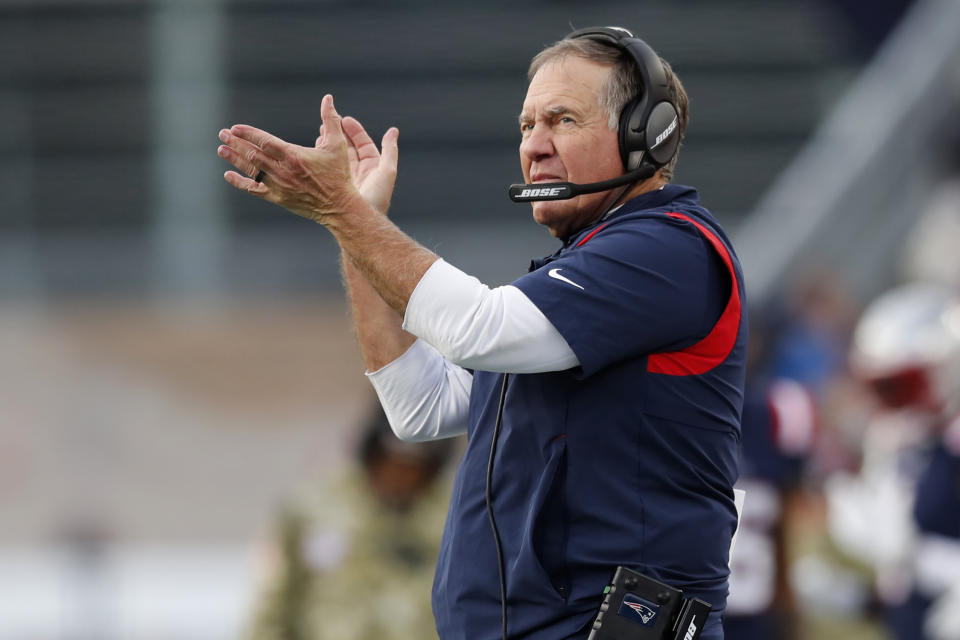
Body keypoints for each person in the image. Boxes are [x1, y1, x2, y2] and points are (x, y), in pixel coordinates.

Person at [217, 26, 748, 640]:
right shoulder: (585, 276)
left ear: (643, 134)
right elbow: (419, 408)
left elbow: (475, 327)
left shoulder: (667, 249)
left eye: (562, 120)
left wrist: (344, 211)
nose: (535, 146)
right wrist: (355, 225)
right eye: (526, 126)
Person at [246, 404, 457, 640]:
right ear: (373, 453)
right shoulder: (313, 509)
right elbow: (274, 604)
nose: (401, 475)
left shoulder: (456, 521)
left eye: (415, 466)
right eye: (393, 460)